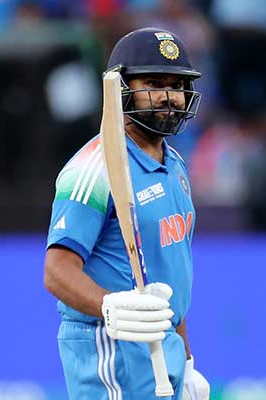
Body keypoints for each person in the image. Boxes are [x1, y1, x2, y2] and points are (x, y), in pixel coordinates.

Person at [43, 27, 209, 400]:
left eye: (177, 85)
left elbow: (170, 279)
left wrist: (186, 362)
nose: (169, 97)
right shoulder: (94, 168)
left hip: (162, 351)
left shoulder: (176, 167)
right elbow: (56, 272)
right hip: (111, 347)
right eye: (153, 83)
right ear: (120, 89)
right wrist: (110, 306)